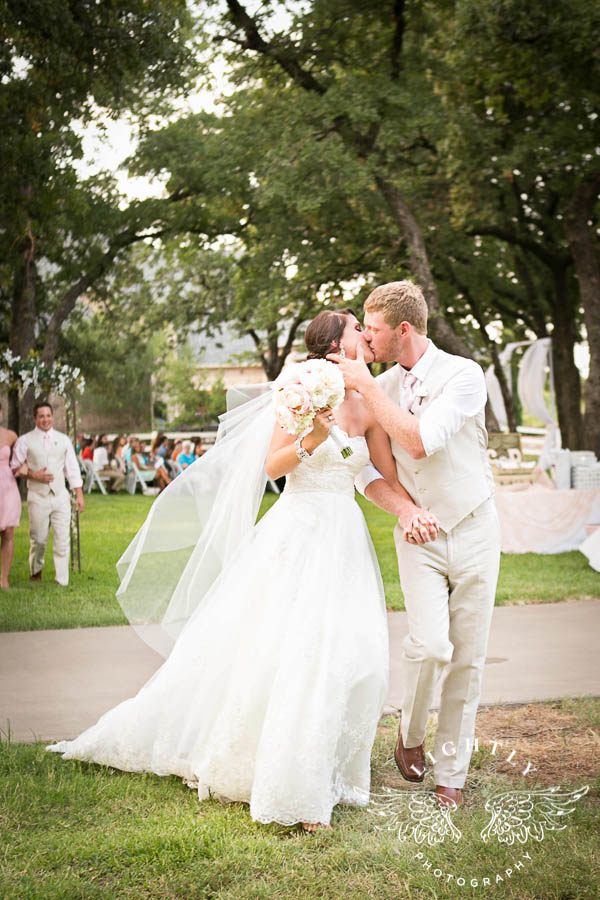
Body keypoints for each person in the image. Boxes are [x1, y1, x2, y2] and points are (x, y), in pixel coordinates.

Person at [47, 309, 437, 833]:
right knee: (292, 650)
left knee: (352, 652)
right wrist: (313, 439)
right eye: (355, 331)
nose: (365, 338)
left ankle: (331, 764)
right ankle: (290, 783)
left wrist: (415, 510)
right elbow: (272, 466)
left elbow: (383, 477)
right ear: (334, 346)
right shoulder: (300, 389)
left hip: (343, 537)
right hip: (296, 530)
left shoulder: (370, 406)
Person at [329, 281, 500, 809]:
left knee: (467, 657)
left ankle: (451, 773)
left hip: (473, 527)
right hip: (418, 536)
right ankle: (410, 729)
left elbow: (421, 440)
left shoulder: (464, 376)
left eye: (372, 328)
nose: (366, 337)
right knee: (429, 645)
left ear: (402, 330)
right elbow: (363, 470)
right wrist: (407, 510)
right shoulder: (374, 385)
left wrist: (369, 388)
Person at [12, 400, 85, 585]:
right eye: (41, 416)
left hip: (60, 495)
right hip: (37, 496)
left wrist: (79, 494)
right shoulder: (25, 440)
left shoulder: (63, 439)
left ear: (53, 417)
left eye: (48, 415)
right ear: (35, 418)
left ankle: (62, 580)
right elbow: (14, 467)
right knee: (39, 538)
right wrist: (33, 475)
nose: (46, 419)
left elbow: (72, 469)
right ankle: (35, 571)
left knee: (62, 538)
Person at [0, 406, 22, 589]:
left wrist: (25, 468)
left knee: (8, 532)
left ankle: (4, 579)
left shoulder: (11, 436)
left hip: (7, 486)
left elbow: (20, 459)